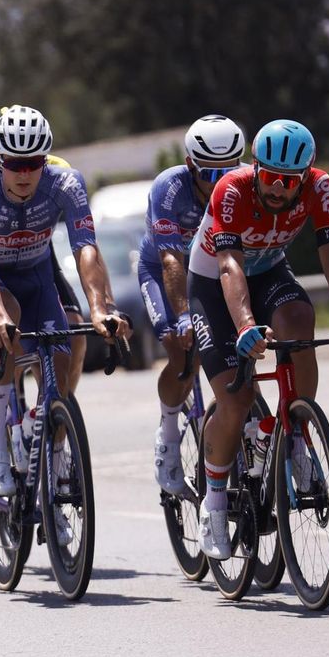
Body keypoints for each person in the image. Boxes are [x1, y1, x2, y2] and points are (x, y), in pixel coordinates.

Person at [187, 120, 329, 559]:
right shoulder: (231, 190)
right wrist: (247, 326)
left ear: (306, 177)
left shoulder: (321, 188)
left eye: (289, 182)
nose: (278, 188)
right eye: (270, 177)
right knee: (235, 398)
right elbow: (229, 265)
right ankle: (213, 504)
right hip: (215, 281)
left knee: (299, 317)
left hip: (269, 270)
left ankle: (296, 435)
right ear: (255, 168)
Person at [0, 106, 129, 498]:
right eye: (13, 163)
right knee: (8, 322)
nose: (23, 173)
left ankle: (51, 443)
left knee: (65, 352)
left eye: (32, 164)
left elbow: (85, 248)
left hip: (37, 274)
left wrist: (101, 308)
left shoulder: (66, 181)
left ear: (45, 158)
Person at [141, 115, 246, 494]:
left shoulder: (245, 183)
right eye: (208, 174)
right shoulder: (169, 189)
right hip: (165, 270)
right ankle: (169, 434)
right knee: (184, 356)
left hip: (215, 272)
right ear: (189, 164)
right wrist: (184, 316)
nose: (218, 184)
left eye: (227, 172)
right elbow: (170, 260)